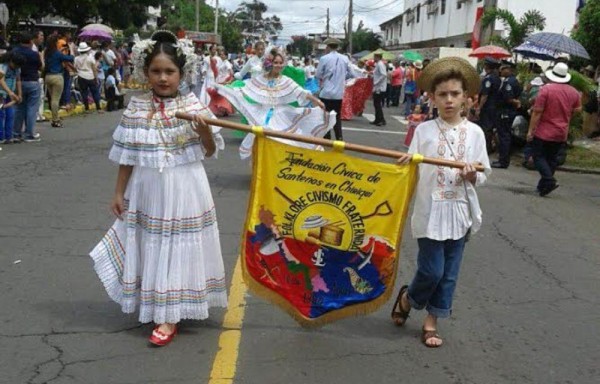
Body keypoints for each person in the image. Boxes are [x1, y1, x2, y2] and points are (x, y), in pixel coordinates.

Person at [89, 30, 227, 347]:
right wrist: (118, 192)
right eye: (156, 71)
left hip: (186, 185)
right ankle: (157, 303)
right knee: (152, 242)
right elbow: (127, 155)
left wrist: (204, 130)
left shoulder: (194, 104)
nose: (163, 78)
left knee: (177, 244)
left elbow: (208, 151)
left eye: (169, 71)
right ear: (145, 72)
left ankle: (169, 314)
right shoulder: (136, 107)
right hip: (147, 186)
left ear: (182, 73)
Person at [393, 57, 491, 348]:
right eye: (442, 94)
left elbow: (485, 174)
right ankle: (408, 298)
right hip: (430, 211)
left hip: (460, 212)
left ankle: (432, 321)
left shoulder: (476, 133)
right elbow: (412, 167)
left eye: (455, 94)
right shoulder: (423, 131)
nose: (449, 100)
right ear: (432, 98)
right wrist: (407, 163)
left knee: (448, 275)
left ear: (466, 98)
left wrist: (473, 175)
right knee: (431, 271)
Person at [214, 48, 334, 159]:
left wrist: (317, 101)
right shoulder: (261, 78)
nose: (278, 65)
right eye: (275, 62)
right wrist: (225, 87)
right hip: (262, 114)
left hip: (281, 114)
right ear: (270, 63)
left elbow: (301, 92)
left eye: (280, 63)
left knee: (284, 141)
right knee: (262, 140)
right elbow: (245, 87)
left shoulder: (285, 81)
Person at [527, 63, 581, 197]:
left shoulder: (545, 90)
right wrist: (567, 115)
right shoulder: (573, 92)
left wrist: (530, 131)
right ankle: (543, 186)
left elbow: (537, 112)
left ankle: (548, 179)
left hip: (544, 130)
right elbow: (578, 110)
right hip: (561, 131)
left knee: (538, 156)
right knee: (551, 159)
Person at [315, 37, 354, 140]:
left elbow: (318, 74)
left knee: (325, 116)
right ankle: (339, 137)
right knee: (337, 116)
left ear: (328, 46)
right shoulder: (345, 58)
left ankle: (327, 137)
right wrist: (342, 78)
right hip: (338, 93)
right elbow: (352, 73)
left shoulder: (324, 58)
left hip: (326, 93)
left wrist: (325, 77)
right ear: (337, 47)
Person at [11, 32, 42, 142]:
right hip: (32, 80)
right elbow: (40, 66)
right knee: (32, 108)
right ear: (30, 42)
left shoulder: (14, 52)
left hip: (18, 81)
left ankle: (16, 132)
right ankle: (29, 134)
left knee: (19, 108)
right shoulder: (34, 54)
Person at [493, 60, 522, 168]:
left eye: (502, 69)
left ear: (508, 69)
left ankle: (503, 160)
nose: (500, 71)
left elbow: (509, 98)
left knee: (504, 136)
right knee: (505, 135)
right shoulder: (513, 81)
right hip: (508, 111)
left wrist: (515, 102)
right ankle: (503, 159)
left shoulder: (508, 82)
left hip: (505, 112)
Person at [44, 35, 74, 128]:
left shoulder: (47, 53)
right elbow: (70, 58)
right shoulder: (57, 53)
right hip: (57, 76)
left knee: (52, 98)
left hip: (48, 76)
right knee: (55, 99)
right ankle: (55, 119)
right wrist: (71, 49)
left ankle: (55, 117)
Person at [476, 57, 501, 153]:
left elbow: (485, 95)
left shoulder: (488, 79)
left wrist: (479, 107)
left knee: (486, 128)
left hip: (488, 107)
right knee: (490, 128)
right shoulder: (497, 78)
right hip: (495, 106)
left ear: (486, 66)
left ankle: (486, 148)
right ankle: (489, 147)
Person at [0, 51, 24, 144]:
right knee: (1, 115)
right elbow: (1, 80)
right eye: (16, 65)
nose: (16, 67)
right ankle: (1, 136)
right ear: (10, 61)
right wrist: (9, 92)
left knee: (10, 115)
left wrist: (20, 94)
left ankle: (8, 136)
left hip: (11, 93)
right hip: (2, 93)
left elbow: (18, 80)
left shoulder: (17, 69)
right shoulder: (3, 66)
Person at [74, 42, 102, 113]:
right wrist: (96, 78)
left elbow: (75, 67)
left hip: (81, 76)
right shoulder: (90, 58)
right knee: (95, 92)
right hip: (90, 76)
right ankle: (98, 108)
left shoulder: (76, 58)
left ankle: (87, 109)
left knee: (84, 93)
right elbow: (94, 69)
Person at [370, 52, 387, 126]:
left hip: (379, 88)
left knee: (377, 104)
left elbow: (383, 75)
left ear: (377, 57)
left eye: (374, 57)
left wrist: (376, 82)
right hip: (377, 87)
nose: (373, 58)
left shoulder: (380, 64)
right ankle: (378, 119)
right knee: (376, 104)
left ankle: (380, 119)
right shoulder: (378, 64)